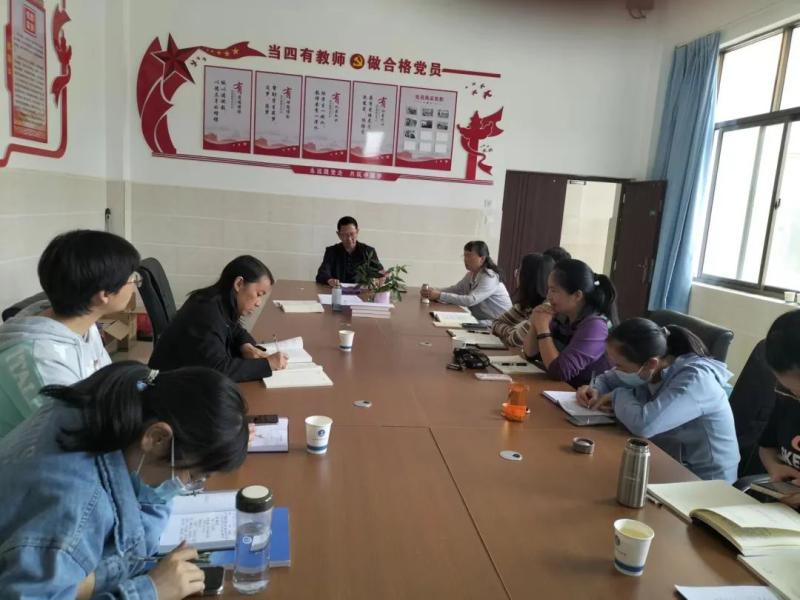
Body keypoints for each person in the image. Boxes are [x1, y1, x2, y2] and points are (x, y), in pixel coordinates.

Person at [0, 361, 249, 598]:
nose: (187, 487)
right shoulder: (76, 508)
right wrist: (151, 591)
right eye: (193, 476)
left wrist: (103, 577)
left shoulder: (112, 404)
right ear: (157, 438)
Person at [0, 229, 140, 439]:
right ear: (104, 295)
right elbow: (74, 435)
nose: (135, 285)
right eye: (132, 279)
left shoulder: (81, 322)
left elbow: (105, 384)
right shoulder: (39, 360)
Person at [577, 318, 739, 482]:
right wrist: (594, 389)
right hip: (662, 461)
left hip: (703, 481)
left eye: (619, 365)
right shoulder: (650, 366)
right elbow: (607, 380)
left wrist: (617, 395)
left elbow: (645, 425)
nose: (615, 370)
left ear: (651, 364)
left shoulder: (695, 380)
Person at [149, 255, 287, 383]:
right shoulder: (205, 313)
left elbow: (234, 328)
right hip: (168, 389)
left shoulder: (219, 302)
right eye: (258, 294)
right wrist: (267, 364)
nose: (258, 303)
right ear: (239, 284)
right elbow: (217, 369)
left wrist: (246, 346)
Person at [523, 259, 617, 387]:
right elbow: (530, 354)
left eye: (554, 290)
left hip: (585, 396)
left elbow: (559, 372)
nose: (548, 296)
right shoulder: (562, 316)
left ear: (577, 295)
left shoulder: (596, 326)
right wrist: (536, 322)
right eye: (548, 290)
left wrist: (543, 328)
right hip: (561, 390)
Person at [759, 310, 800, 508]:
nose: (795, 396)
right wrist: (774, 467)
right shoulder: (786, 396)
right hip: (781, 509)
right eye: (789, 388)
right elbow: (767, 446)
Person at [422, 241, 512, 322]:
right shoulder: (470, 275)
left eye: (469, 256)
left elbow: (470, 300)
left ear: (482, 259)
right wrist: (433, 291)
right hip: (486, 321)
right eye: (464, 256)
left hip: (501, 324)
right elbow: (456, 290)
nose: (465, 259)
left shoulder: (490, 277)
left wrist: (439, 295)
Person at [491, 253, 555, 348]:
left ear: (528, 277)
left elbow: (516, 340)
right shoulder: (527, 303)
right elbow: (495, 324)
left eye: (519, 271)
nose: (516, 274)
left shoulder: (545, 307)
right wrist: (512, 332)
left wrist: (511, 333)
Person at [316, 216, 384, 287]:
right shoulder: (331, 251)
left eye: (352, 234)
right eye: (345, 235)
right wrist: (329, 280)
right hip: (338, 290)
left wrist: (381, 279)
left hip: (362, 291)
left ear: (357, 232)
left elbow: (381, 273)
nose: (349, 238)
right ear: (338, 234)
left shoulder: (369, 251)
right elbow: (322, 274)